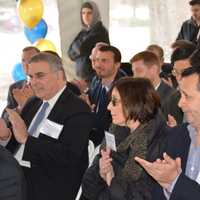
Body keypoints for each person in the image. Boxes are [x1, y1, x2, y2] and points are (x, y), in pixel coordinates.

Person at [0, 52, 93, 200]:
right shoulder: (33, 103)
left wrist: (27, 140)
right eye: (31, 77)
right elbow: (17, 142)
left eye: (40, 75)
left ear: (59, 75)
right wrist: (6, 136)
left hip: (50, 180)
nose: (33, 82)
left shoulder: (77, 109)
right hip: (17, 173)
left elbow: (68, 157)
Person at [81, 77, 168, 200]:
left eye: (115, 102)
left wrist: (111, 180)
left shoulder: (157, 143)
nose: (109, 107)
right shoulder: (115, 130)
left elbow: (144, 196)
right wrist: (101, 174)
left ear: (134, 103)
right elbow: (87, 185)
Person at [135, 65, 200, 200]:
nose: (180, 104)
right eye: (180, 95)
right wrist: (167, 183)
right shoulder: (177, 135)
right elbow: (157, 192)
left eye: (187, 96)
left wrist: (175, 181)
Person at [81, 45, 126, 146]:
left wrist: (89, 112)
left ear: (117, 64)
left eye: (104, 61)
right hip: (94, 138)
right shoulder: (96, 80)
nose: (98, 65)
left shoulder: (124, 88)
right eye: (97, 60)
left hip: (114, 142)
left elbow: (111, 123)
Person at [130, 51, 183, 125]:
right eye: (133, 72)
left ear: (153, 70)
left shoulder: (172, 97)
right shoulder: (136, 94)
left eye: (139, 71)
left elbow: (176, 131)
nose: (134, 77)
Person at [68, 1, 110, 82]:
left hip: (95, 78)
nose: (86, 16)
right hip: (83, 77)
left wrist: (77, 48)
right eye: (83, 13)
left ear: (95, 14)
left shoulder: (100, 31)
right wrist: (79, 49)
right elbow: (70, 53)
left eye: (89, 13)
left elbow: (81, 48)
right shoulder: (83, 32)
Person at [5, 46, 39, 110]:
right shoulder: (14, 88)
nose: (26, 64)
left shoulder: (46, 85)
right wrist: (20, 107)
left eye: (31, 60)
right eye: (23, 60)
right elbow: (5, 117)